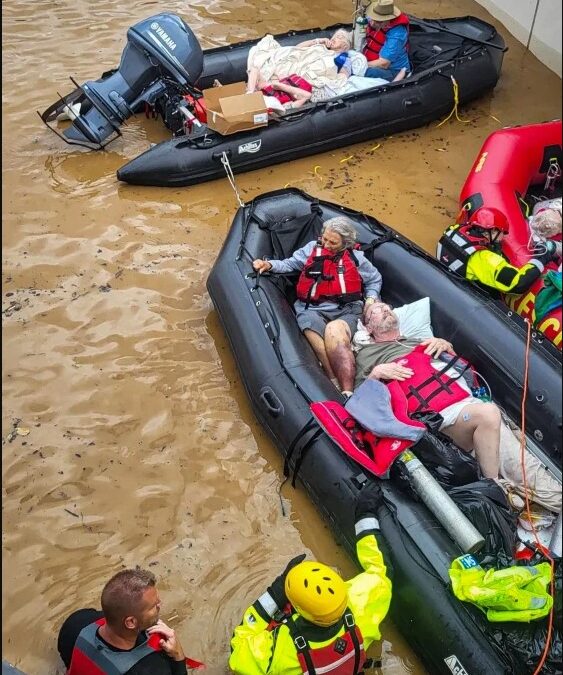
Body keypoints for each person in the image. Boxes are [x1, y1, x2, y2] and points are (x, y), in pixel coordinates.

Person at [229, 482, 392, 674]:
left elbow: (237, 651)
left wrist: (276, 594)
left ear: (299, 610)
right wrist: (365, 513)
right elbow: (381, 570)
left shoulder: (279, 648)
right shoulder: (361, 606)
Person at [354, 300, 502, 479]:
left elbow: (462, 370)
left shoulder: (420, 342)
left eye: (387, 307)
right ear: (368, 328)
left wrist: (446, 347)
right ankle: (494, 486)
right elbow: (359, 402)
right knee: (489, 414)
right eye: (376, 311)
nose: (385, 310)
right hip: (437, 421)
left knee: (521, 462)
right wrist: (375, 375)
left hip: (466, 401)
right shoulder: (367, 356)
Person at [253, 217, 382, 396]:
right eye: (325, 239)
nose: (327, 244)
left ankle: (348, 390)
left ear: (345, 244)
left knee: (334, 333)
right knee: (315, 336)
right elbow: (290, 263)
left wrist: (371, 298)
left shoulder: (356, 258)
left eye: (333, 242)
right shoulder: (312, 249)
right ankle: (333, 382)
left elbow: (374, 279)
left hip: (347, 309)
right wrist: (268, 265)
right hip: (312, 308)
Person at [57, 568, 192, 674]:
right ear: (130, 622)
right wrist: (178, 655)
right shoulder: (151, 668)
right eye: (153, 606)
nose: (160, 605)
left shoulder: (76, 622)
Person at [437, 206, 560, 294]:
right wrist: (541, 259)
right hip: (460, 291)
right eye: (502, 233)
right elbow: (518, 283)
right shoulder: (484, 259)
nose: (503, 237)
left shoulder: (455, 228)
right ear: (493, 231)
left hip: (443, 274)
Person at [362, 0, 411, 82]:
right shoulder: (375, 20)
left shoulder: (398, 33)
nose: (372, 23)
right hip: (371, 59)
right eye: (372, 18)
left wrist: (359, 65)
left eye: (378, 21)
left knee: (364, 72)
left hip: (393, 71)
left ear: (388, 19)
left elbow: (384, 63)